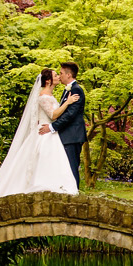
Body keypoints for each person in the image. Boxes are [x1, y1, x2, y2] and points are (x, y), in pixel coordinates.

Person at [0, 68, 77, 201]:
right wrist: (68, 102)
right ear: (48, 81)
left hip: (50, 132)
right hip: (45, 132)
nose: (58, 77)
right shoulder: (43, 97)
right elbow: (53, 115)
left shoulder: (50, 95)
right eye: (55, 75)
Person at [37, 62, 86, 190]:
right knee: (65, 168)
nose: (59, 76)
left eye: (62, 73)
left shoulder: (76, 90)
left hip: (72, 135)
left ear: (69, 75)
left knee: (71, 167)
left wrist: (52, 127)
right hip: (65, 135)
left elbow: (70, 115)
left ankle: (74, 195)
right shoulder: (67, 90)